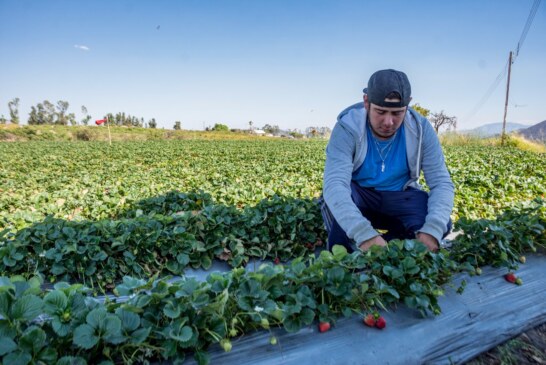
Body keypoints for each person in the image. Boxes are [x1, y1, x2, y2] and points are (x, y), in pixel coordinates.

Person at [321, 69, 454, 253]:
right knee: (337, 204)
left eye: (397, 113)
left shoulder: (421, 129)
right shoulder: (347, 128)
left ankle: (388, 245)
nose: (388, 122)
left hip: (398, 197)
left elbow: (441, 183)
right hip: (360, 198)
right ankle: (346, 257)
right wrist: (362, 232)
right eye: (381, 112)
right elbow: (334, 184)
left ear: (407, 105)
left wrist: (433, 230)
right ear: (367, 102)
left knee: (441, 223)